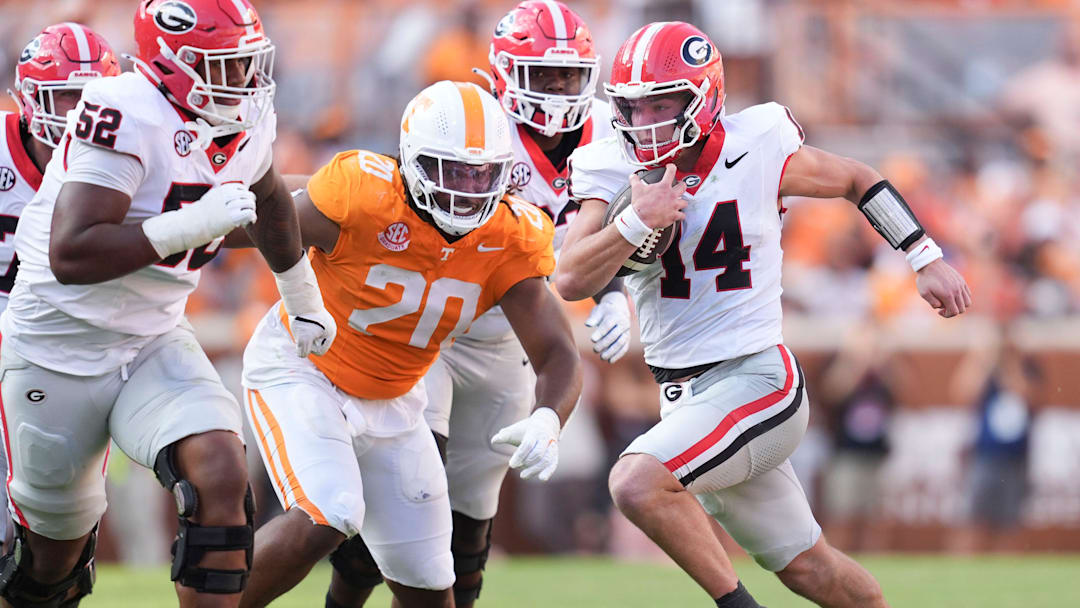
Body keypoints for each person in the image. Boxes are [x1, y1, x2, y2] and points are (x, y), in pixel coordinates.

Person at [556, 21, 971, 608]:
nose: (645, 124)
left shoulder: (759, 142)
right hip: (685, 397)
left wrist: (923, 255)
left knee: (636, 482)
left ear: (704, 96)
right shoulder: (608, 164)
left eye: (663, 105)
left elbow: (858, 178)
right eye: (634, 108)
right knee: (813, 572)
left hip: (757, 379)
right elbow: (570, 277)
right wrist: (634, 221)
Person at [0, 1, 336, 606]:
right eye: (223, 64)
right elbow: (71, 255)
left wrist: (301, 294)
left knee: (221, 469)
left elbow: (272, 204)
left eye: (246, 63)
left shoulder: (247, 114)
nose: (242, 81)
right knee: (51, 563)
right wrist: (190, 224)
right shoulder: (121, 109)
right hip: (58, 344)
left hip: (153, 334)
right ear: (172, 62)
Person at [322, 4, 626, 607]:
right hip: (431, 325)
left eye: (569, 76)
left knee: (469, 524)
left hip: (510, 337)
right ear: (505, 72)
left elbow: (609, 229)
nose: (560, 90)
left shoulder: (610, 133)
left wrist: (615, 290)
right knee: (407, 482)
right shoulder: (471, 122)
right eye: (544, 75)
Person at [237, 80, 583, 608]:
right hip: (304, 368)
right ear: (412, 161)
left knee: (428, 587)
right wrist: (183, 232)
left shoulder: (510, 235)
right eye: (453, 171)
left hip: (397, 400)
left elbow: (557, 352)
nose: (468, 188)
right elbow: (270, 218)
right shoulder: (364, 192)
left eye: (482, 172)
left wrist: (548, 418)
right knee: (328, 514)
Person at [0, 22, 122, 559]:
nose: (77, 114)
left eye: (91, 98)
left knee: (52, 545)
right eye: (66, 95)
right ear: (27, 99)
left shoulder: (122, 161)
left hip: (58, 359)